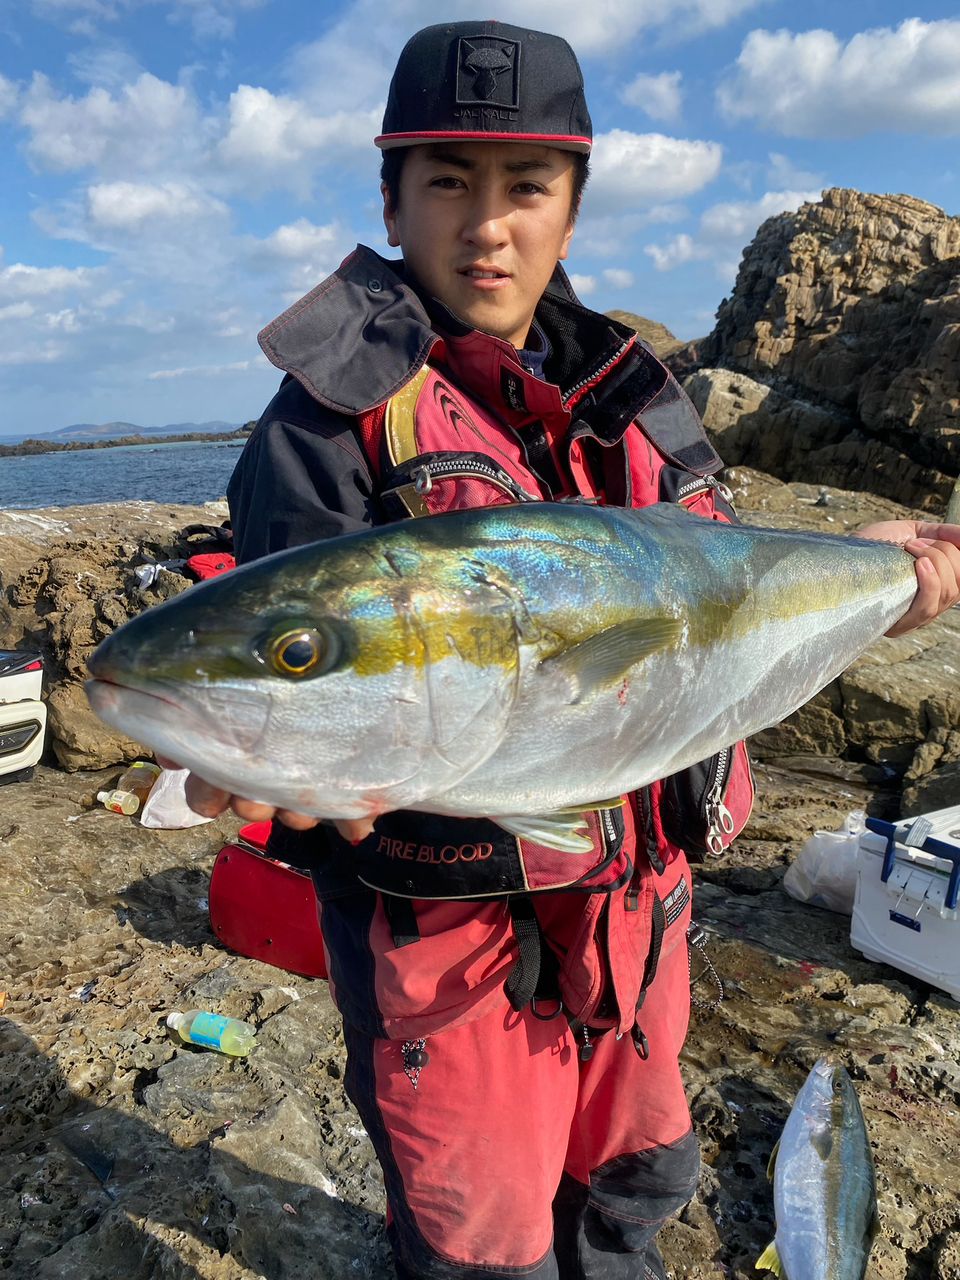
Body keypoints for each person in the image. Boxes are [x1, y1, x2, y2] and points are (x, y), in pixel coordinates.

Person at [181, 20, 960, 1279]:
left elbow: (727, 582)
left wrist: (868, 575)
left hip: (643, 928)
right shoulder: (318, 436)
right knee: (484, 1245)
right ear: (390, 198)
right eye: (447, 182)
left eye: (526, 186)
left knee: (634, 1194)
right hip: (453, 963)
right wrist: (273, 774)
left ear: (573, 206)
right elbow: (291, 663)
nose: (488, 224)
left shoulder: (628, 396)